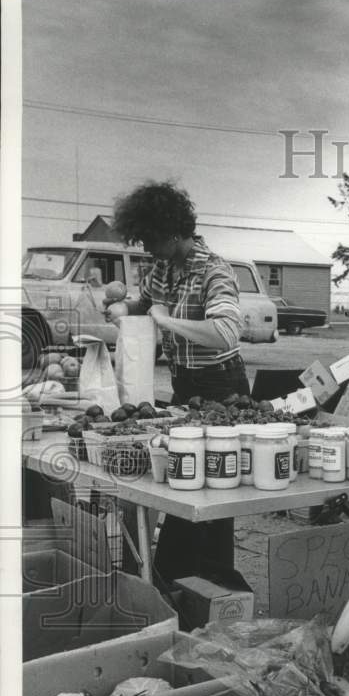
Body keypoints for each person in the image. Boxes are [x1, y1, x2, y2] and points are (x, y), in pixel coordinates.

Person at [107, 180, 250, 581]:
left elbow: (226, 332)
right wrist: (121, 307)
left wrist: (167, 321)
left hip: (224, 389)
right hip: (186, 387)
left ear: (172, 232)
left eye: (151, 239)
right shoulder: (162, 267)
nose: (147, 248)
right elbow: (143, 304)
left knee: (217, 488)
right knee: (183, 480)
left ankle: (215, 585)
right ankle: (178, 579)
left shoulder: (214, 271)